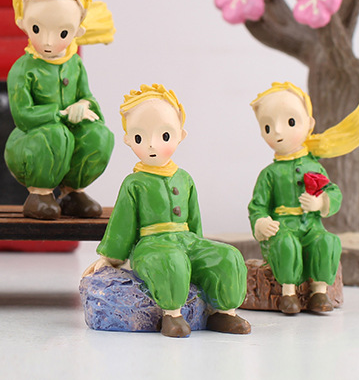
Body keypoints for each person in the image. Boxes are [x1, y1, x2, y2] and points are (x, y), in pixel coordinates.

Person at [86, 84, 250, 338]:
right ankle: (172, 314)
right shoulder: (134, 183)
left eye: (164, 136)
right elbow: (122, 223)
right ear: (128, 139)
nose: (152, 145)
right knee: (171, 261)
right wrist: (111, 257)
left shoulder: (184, 179)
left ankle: (223, 312)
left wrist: (199, 249)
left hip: (186, 240)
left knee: (228, 256)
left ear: (180, 135)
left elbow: (194, 221)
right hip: (152, 245)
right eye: (140, 138)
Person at [249, 81, 359, 314]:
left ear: (309, 124)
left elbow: (332, 190)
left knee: (327, 241)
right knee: (286, 244)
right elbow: (258, 206)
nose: (278, 132)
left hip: (311, 227)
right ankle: (288, 293)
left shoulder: (314, 166)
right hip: (283, 227)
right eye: (268, 127)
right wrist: (261, 222)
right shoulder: (269, 174)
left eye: (290, 122)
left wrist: (321, 202)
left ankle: (319, 291)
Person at [5, 0, 115, 220]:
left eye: (62, 32)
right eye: (37, 29)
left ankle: (72, 192)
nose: (47, 41)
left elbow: (87, 95)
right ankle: (40, 193)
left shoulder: (74, 63)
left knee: (99, 135)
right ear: (23, 24)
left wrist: (84, 106)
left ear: (77, 32)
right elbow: (23, 115)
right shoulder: (23, 69)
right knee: (56, 134)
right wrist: (61, 113)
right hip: (32, 144)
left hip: (67, 138)